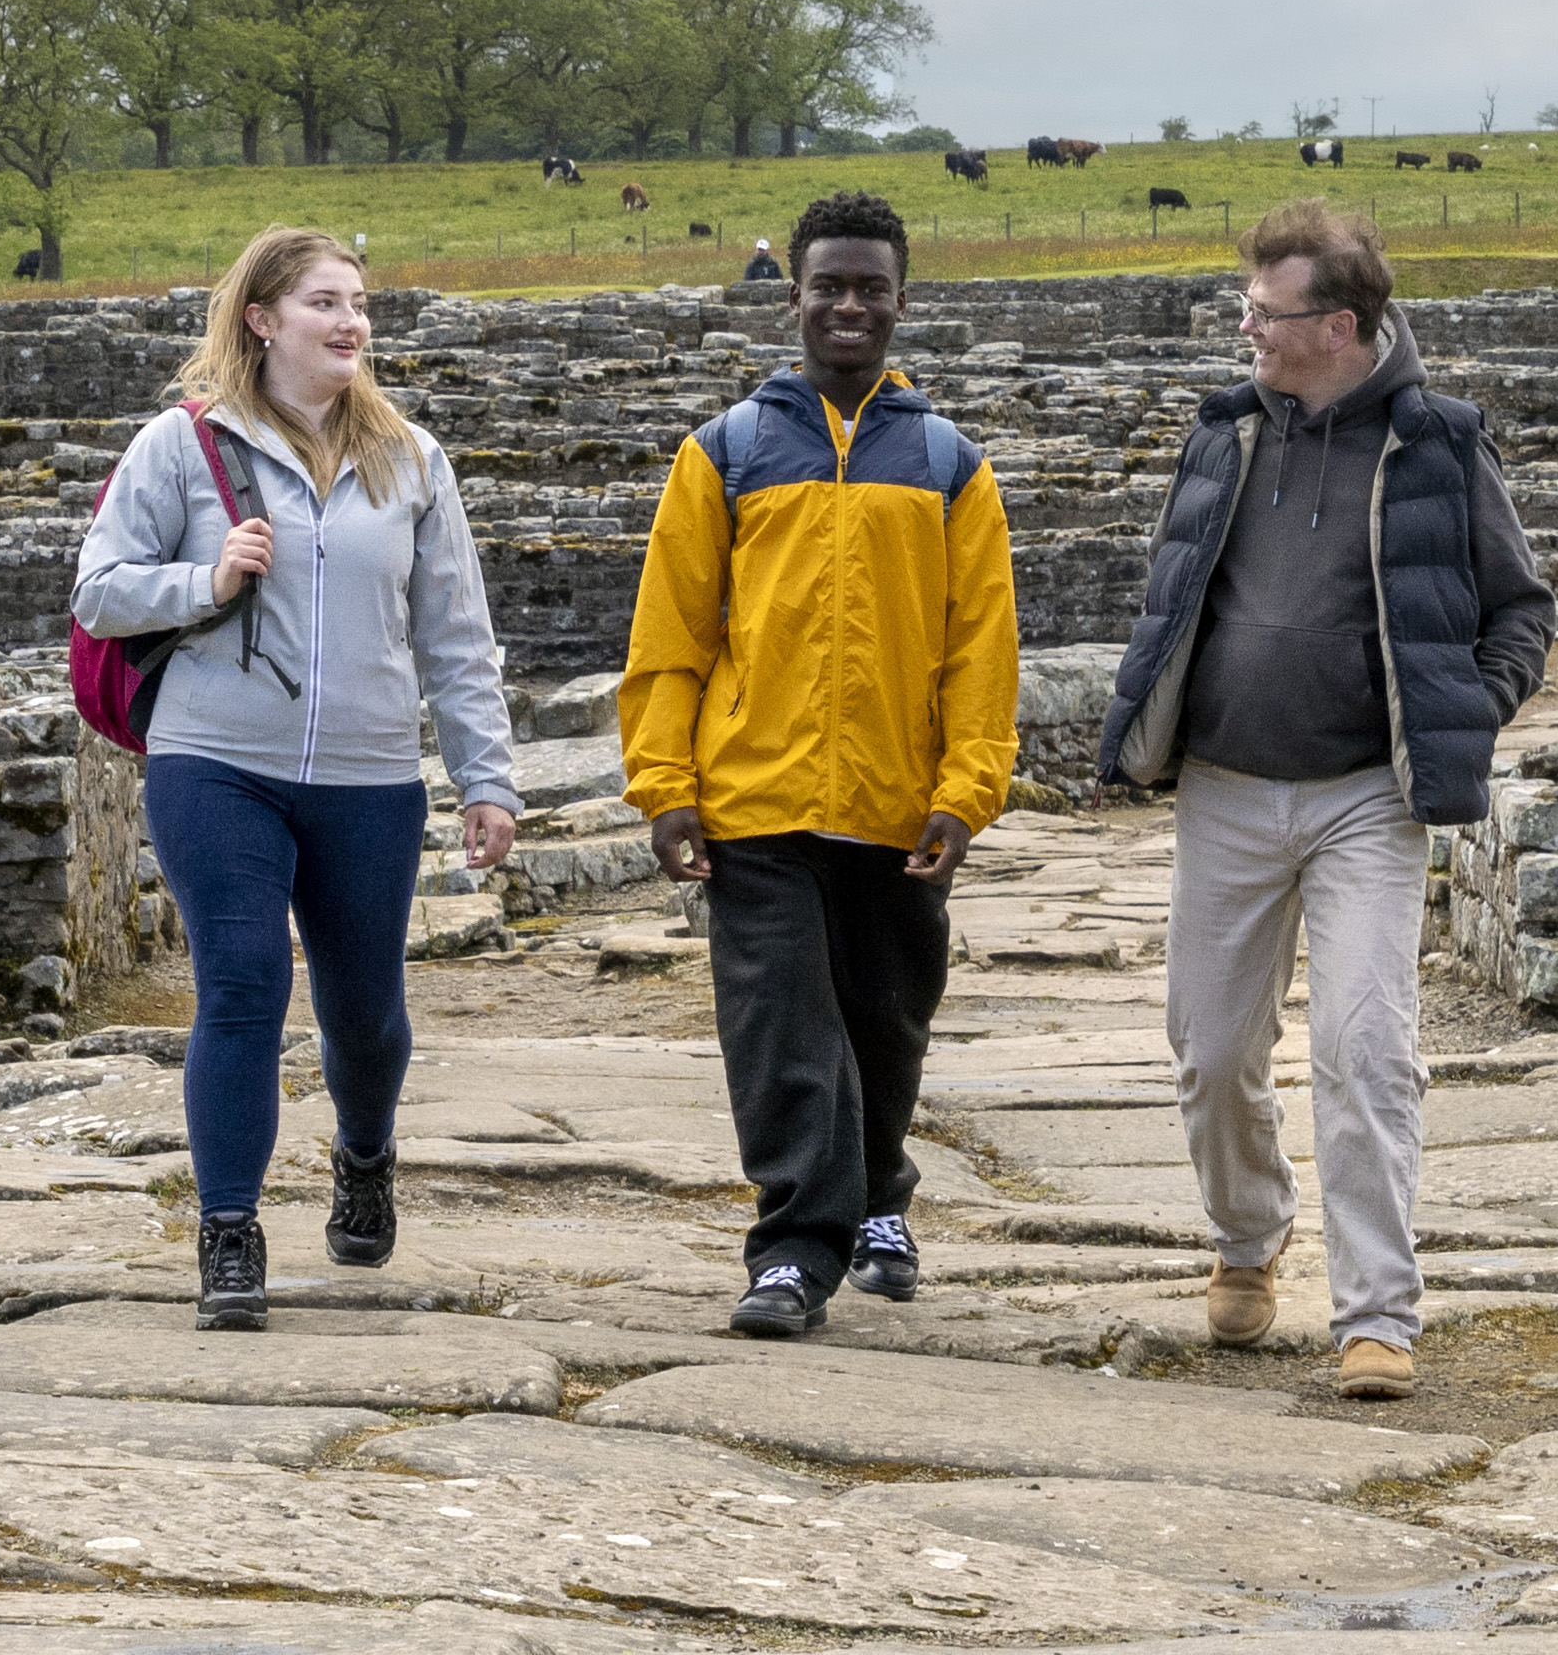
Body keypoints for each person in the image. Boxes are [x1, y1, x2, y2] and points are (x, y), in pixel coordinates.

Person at [1098, 194, 1552, 1398]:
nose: (1244, 326)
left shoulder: (1442, 442)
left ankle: (1377, 1317)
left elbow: (1521, 607)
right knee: (1207, 1048)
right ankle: (1247, 1242)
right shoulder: (1223, 434)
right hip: (1226, 789)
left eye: (1263, 309)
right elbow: (1174, 589)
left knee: (1364, 1047)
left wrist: (1468, 709)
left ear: (1338, 323)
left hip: (1367, 797)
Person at [70, 226, 520, 1329]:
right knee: (239, 980)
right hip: (215, 760)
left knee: (364, 1013)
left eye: (359, 302)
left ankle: (364, 1152)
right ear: (263, 318)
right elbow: (98, 592)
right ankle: (229, 1232)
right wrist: (204, 576)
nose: (351, 321)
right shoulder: (180, 448)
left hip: (367, 774)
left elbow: (457, 635)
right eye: (325, 301)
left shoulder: (412, 459)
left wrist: (487, 777)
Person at [622, 189, 1020, 1341]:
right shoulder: (725, 452)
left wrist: (965, 791)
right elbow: (672, 635)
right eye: (828, 283)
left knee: (884, 1023)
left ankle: (878, 1195)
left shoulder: (952, 465)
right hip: (756, 799)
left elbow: (979, 648)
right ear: (791, 295)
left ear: (902, 300)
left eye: (870, 285)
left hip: (899, 808)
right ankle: (796, 1248)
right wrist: (666, 785)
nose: (848, 303)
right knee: (783, 1027)